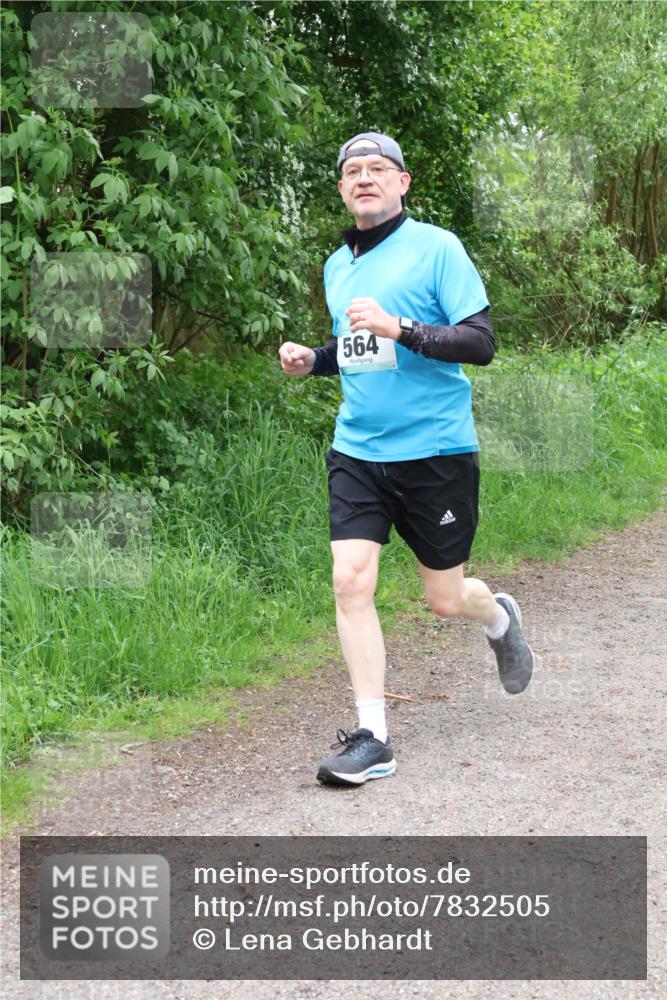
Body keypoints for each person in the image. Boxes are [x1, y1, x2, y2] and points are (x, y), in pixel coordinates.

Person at [278, 131, 534, 787]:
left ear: (402, 182)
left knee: (444, 598)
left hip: (436, 451)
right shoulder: (339, 265)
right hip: (357, 448)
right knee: (349, 580)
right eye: (352, 171)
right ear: (341, 188)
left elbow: (480, 342)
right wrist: (314, 360)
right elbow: (354, 346)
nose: (364, 178)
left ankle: (497, 617)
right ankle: (373, 736)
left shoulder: (436, 249)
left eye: (377, 169)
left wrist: (404, 328)